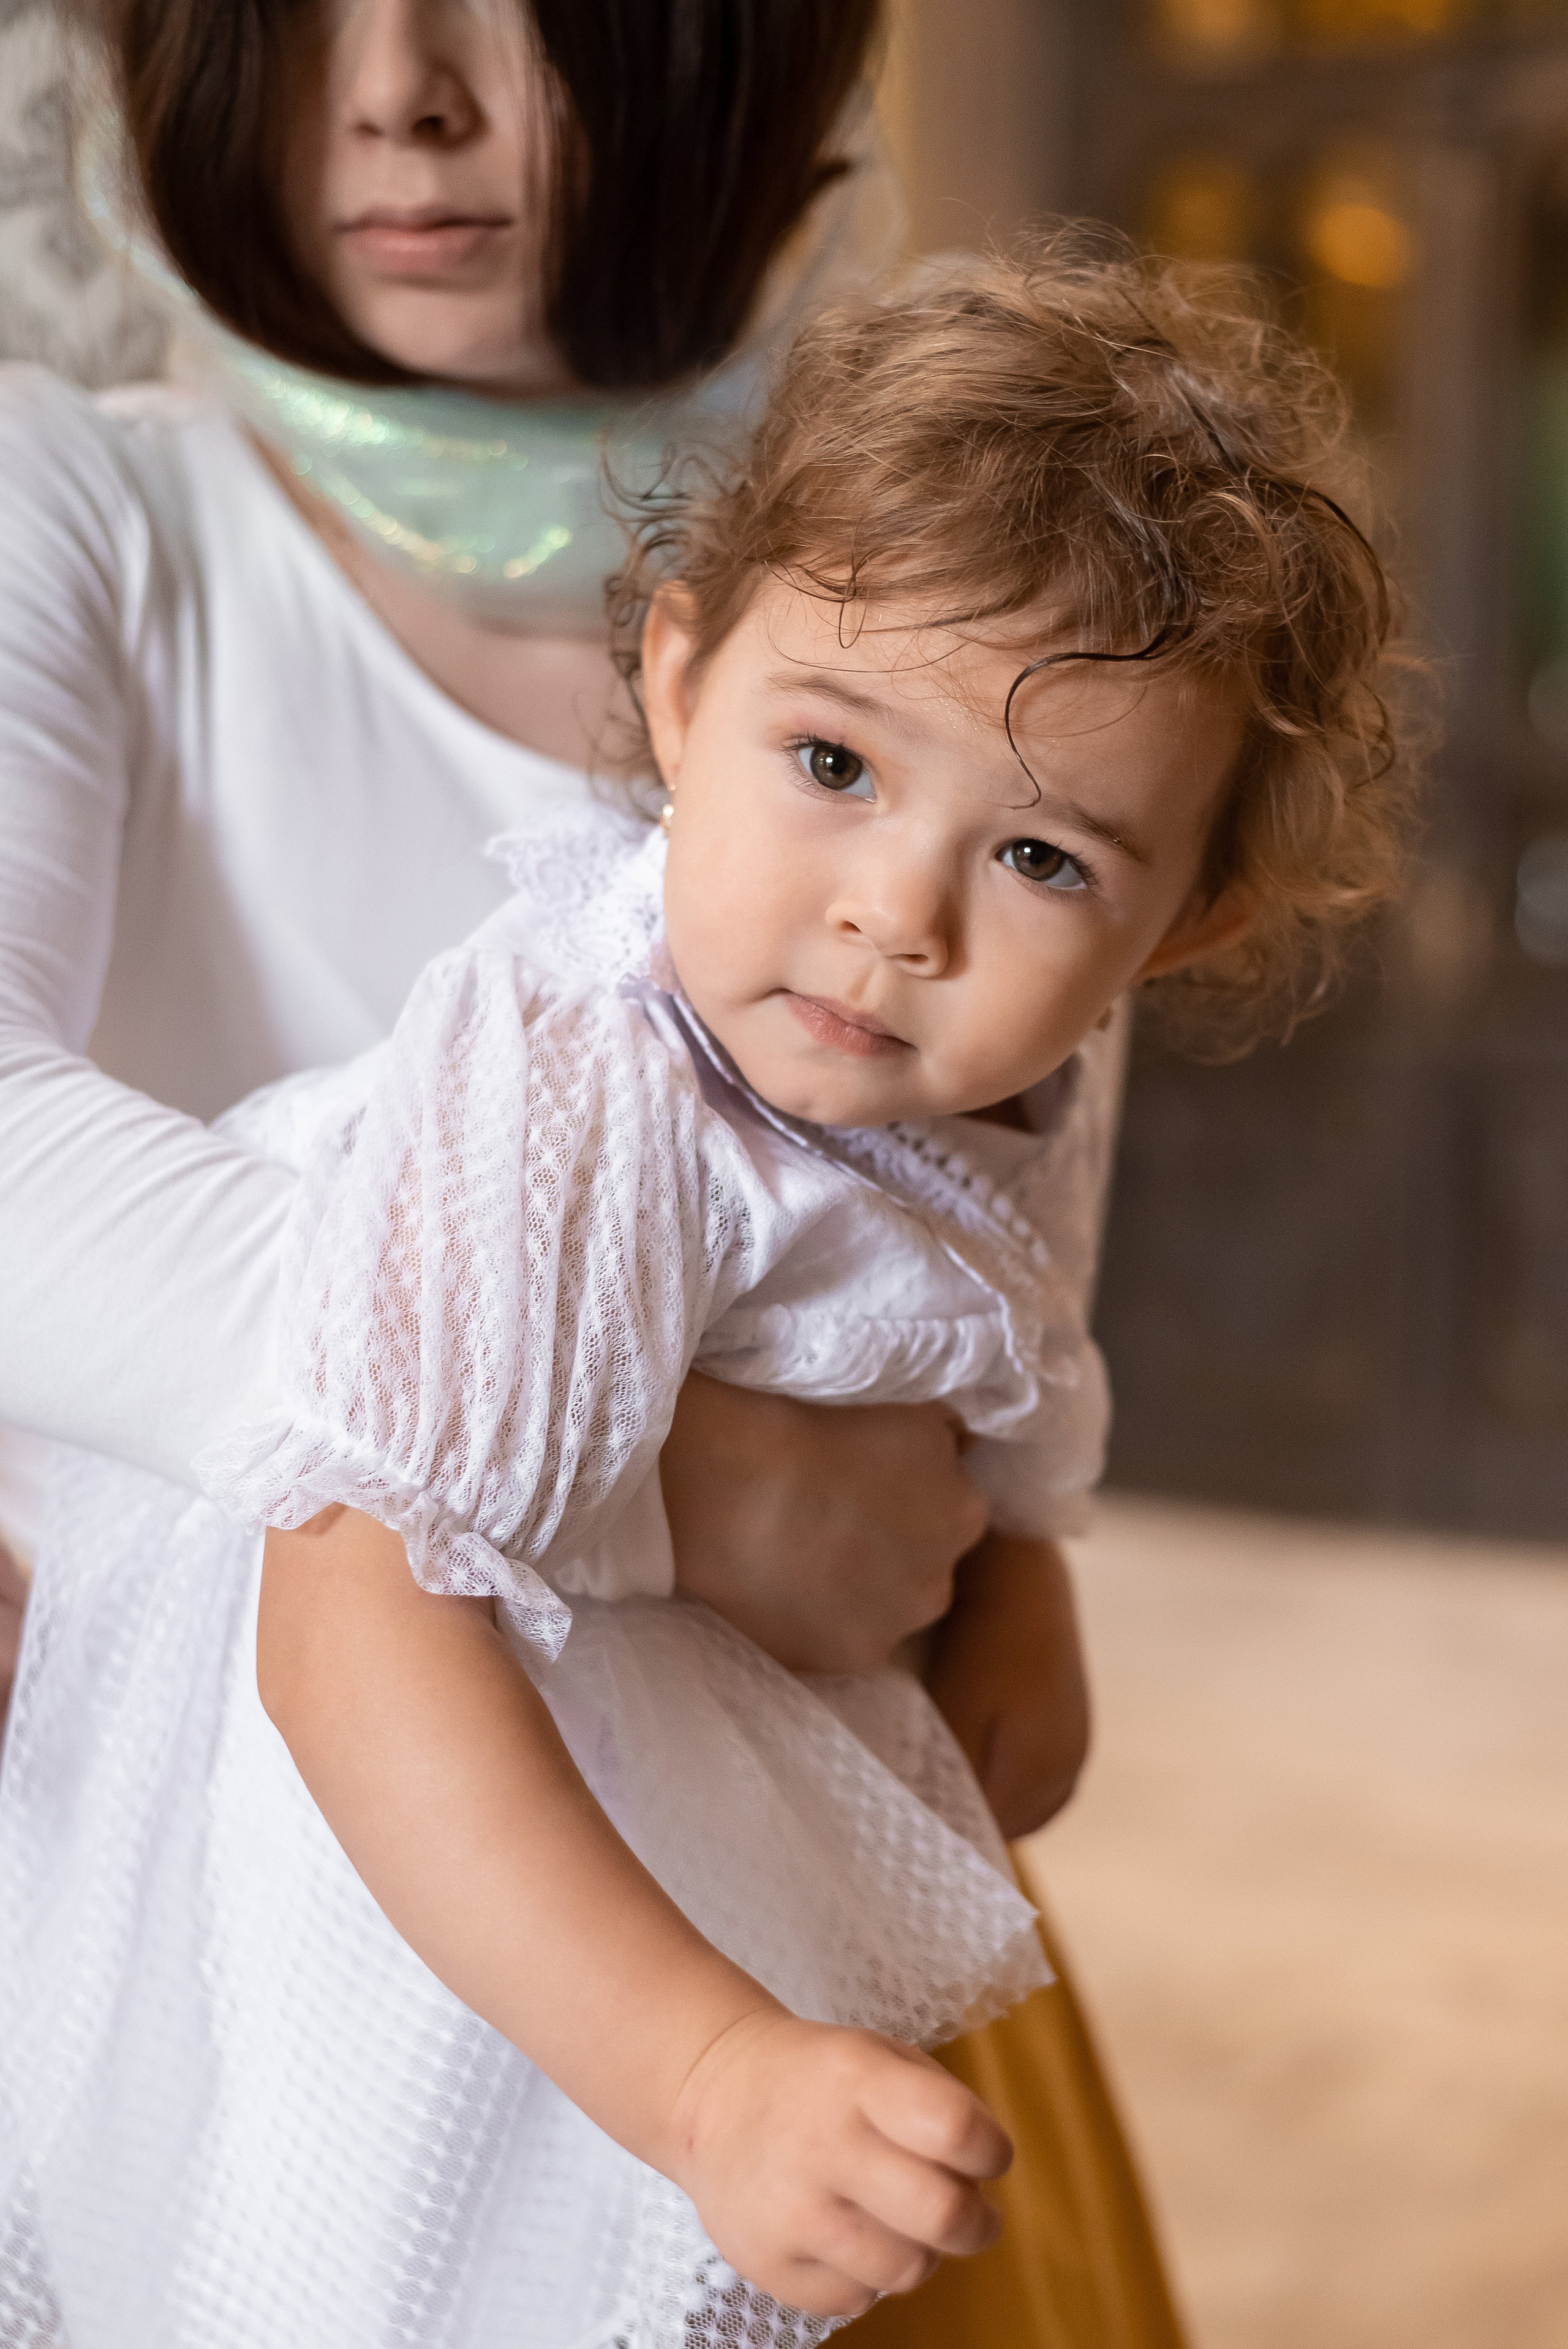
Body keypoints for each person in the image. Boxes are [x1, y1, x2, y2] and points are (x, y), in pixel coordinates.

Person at [0, 242, 1414, 2345]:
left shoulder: (1016, 1069)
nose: (894, 916)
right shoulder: (590, 1074)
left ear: (1177, 933)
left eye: (1042, 861)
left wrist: (1020, 1560)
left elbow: (1007, 1318)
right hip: (436, 1823)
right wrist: (697, 2068)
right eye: (833, 763)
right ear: (677, 690)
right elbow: (348, 1614)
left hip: (738, 1760)